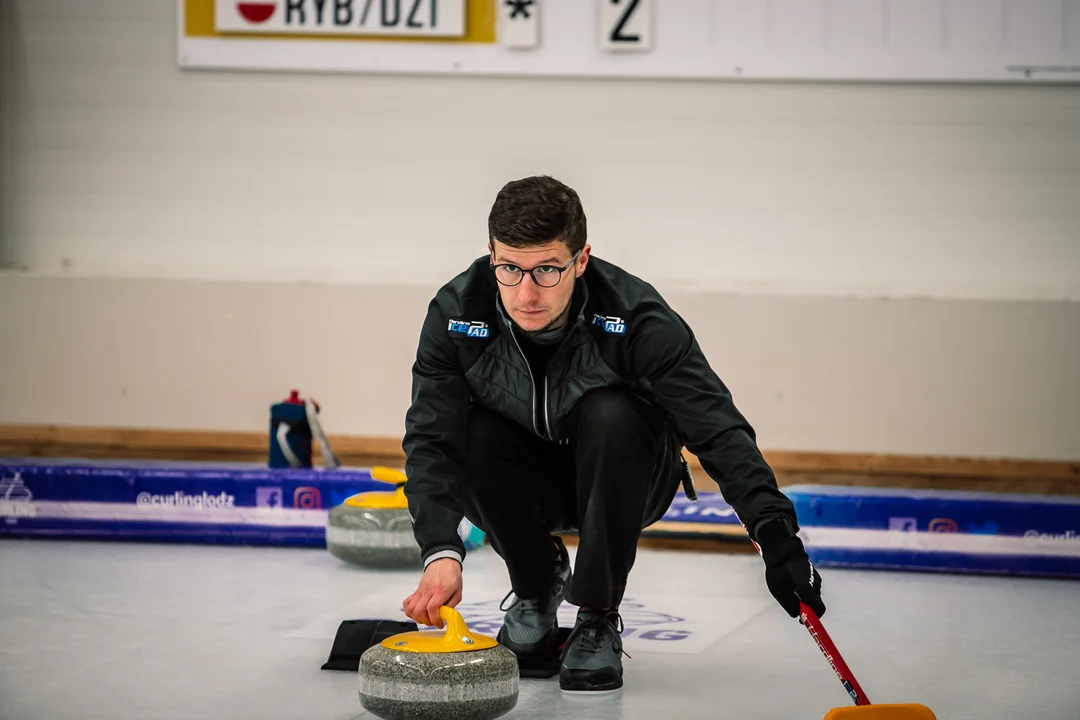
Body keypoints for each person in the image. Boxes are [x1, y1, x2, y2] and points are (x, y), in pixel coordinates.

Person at [400, 175, 825, 693]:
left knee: (613, 412)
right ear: (491, 254)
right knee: (470, 429)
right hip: (524, 486)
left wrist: (776, 535)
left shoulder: (636, 315)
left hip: (627, 480)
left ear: (581, 260)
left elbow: (716, 428)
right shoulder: (456, 314)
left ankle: (597, 613)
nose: (526, 292)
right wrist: (441, 551)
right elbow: (431, 439)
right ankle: (535, 585)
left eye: (548, 270)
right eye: (510, 268)